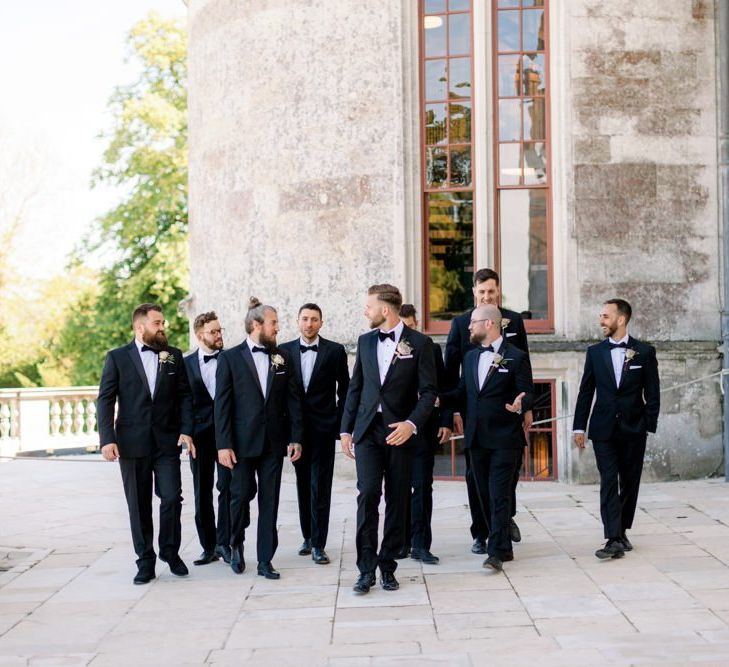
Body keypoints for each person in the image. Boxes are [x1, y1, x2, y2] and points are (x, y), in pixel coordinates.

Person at [340, 284, 437, 594]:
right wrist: (345, 429)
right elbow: (355, 387)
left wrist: (411, 424)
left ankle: (387, 566)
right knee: (368, 495)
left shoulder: (420, 343)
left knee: (397, 499)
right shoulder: (365, 342)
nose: (365, 311)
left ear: (385, 309)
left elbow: (429, 392)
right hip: (368, 430)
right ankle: (365, 569)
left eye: (369, 306)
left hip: (400, 431)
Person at [97, 303, 194, 585]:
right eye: (157, 323)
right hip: (131, 443)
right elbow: (105, 399)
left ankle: (170, 551)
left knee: (172, 497)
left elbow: (185, 397)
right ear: (140, 328)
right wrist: (107, 439)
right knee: (138, 505)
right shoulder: (117, 358)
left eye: (163, 322)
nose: (163, 327)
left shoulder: (173, 356)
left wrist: (186, 430)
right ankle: (145, 561)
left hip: (166, 443)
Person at [215, 297, 304, 579]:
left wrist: (295, 438)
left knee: (271, 502)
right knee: (239, 497)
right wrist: (223, 445)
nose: (278, 328)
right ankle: (235, 540)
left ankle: (266, 559)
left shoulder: (282, 357)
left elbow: (293, 401)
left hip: (273, 444)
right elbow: (223, 406)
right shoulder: (229, 358)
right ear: (256, 325)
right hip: (240, 445)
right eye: (273, 323)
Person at [444, 268, 531, 553]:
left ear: (498, 291)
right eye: (481, 292)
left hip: (507, 411)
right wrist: (451, 412)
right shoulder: (461, 324)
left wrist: (526, 406)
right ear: (474, 293)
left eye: (491, 292)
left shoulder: (514, 320)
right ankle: (481, 531)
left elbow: (523, 364)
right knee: (476, 476)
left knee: (507, 471)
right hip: (473, 410)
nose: (486, 296)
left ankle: (504, 519)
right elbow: (450, 373)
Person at [573, 299, 660, 559]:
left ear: (621, 319)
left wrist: (647, 424)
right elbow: (586, 391)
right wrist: (579, 427)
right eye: (601, 316)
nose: (601, 321)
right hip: (603, 429)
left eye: (605, 316)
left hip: (634, 428)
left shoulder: (644, 352)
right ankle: (612, 538)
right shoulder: (595, 352)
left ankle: (621, 530)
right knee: (609, 480)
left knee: (630, 483)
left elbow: (653, 393)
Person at [280, 303, 350, 565]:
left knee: (321, 485)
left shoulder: (335, 351)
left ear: (321, 323)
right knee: (302, 484)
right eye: (305, 319)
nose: (309, 324)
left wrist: (342, 425)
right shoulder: (283, 351)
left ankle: (319, 544)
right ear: (298, 321)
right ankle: (307, 537)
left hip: (323, 428)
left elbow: (345, 390)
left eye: (314, 320)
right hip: (295, 431)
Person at [398, 304, 452, 564]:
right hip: (395, 429)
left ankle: (421, 544)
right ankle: (401, 541)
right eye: (403, 326)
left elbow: (442, 387)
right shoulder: (388, 349)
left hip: (424, 428)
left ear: (416, 322)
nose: (407, 330)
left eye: (410, 325)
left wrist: (446, 420)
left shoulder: (431, 347)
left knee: (422, 486)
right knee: (398, 488)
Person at [183, 311, 232, 565]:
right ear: (200, 335)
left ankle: (225, 543)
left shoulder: (232, 359)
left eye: (220, 330)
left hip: (227, 438)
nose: (219, 335)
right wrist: (185, 432)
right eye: (214, 331)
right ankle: (208, 546)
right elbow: (182, 402)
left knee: (227, 488)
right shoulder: (185, 364)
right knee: (202, 492)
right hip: (199, 438)